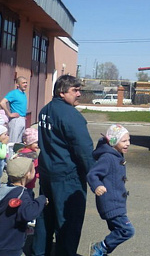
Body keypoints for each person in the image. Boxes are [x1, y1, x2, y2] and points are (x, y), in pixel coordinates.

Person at [32, 75, 94, 256]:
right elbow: (84, 148)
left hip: (47, 172)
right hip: (67, 175)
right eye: (75, 90)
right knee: (68, 220)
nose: (79, 94)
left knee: (46, 215)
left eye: (79, 90)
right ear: (61, 92)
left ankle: (39, 251)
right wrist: (94, 175)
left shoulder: (45, 110)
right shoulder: (71, 115)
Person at [87, 125, 134, 256]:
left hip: (117, 202)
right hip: (110, 202)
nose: (128, 144)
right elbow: (92, 174)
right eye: (124, 141)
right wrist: (97, 185)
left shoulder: (116, 155)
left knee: (118, 231)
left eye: (129, 140)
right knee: (127, 230)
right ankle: (99, 248)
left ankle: (102, 251)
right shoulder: (108, 158)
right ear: (113, 142)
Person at [0, 156, 47, 256]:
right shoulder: (21, 194)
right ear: (27, 174)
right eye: (33, 170)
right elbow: (28, 214)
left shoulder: (5, 189)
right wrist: (41, 200)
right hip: (9, 243)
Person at [0, 77, 28, 144]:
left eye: (26, 83)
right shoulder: (13, 93)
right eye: (23, 83)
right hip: (16, 120)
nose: (25, 84)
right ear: (18, 84)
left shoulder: (23, 94)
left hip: (22, 119)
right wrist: (9, 114)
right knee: (12, 143)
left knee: (19, 143)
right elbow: (2, 103)